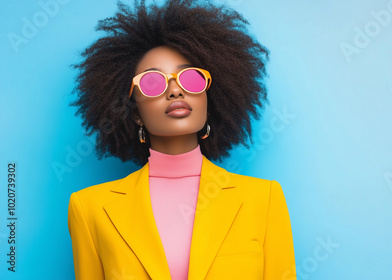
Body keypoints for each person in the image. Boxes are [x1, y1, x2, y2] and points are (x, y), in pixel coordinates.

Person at [67, 0, 296, 279]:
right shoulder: (89, 208)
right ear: (135, 112)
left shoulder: (264, 199)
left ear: (210, 99)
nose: (175, 91)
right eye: (152, 81)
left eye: (190, 78)